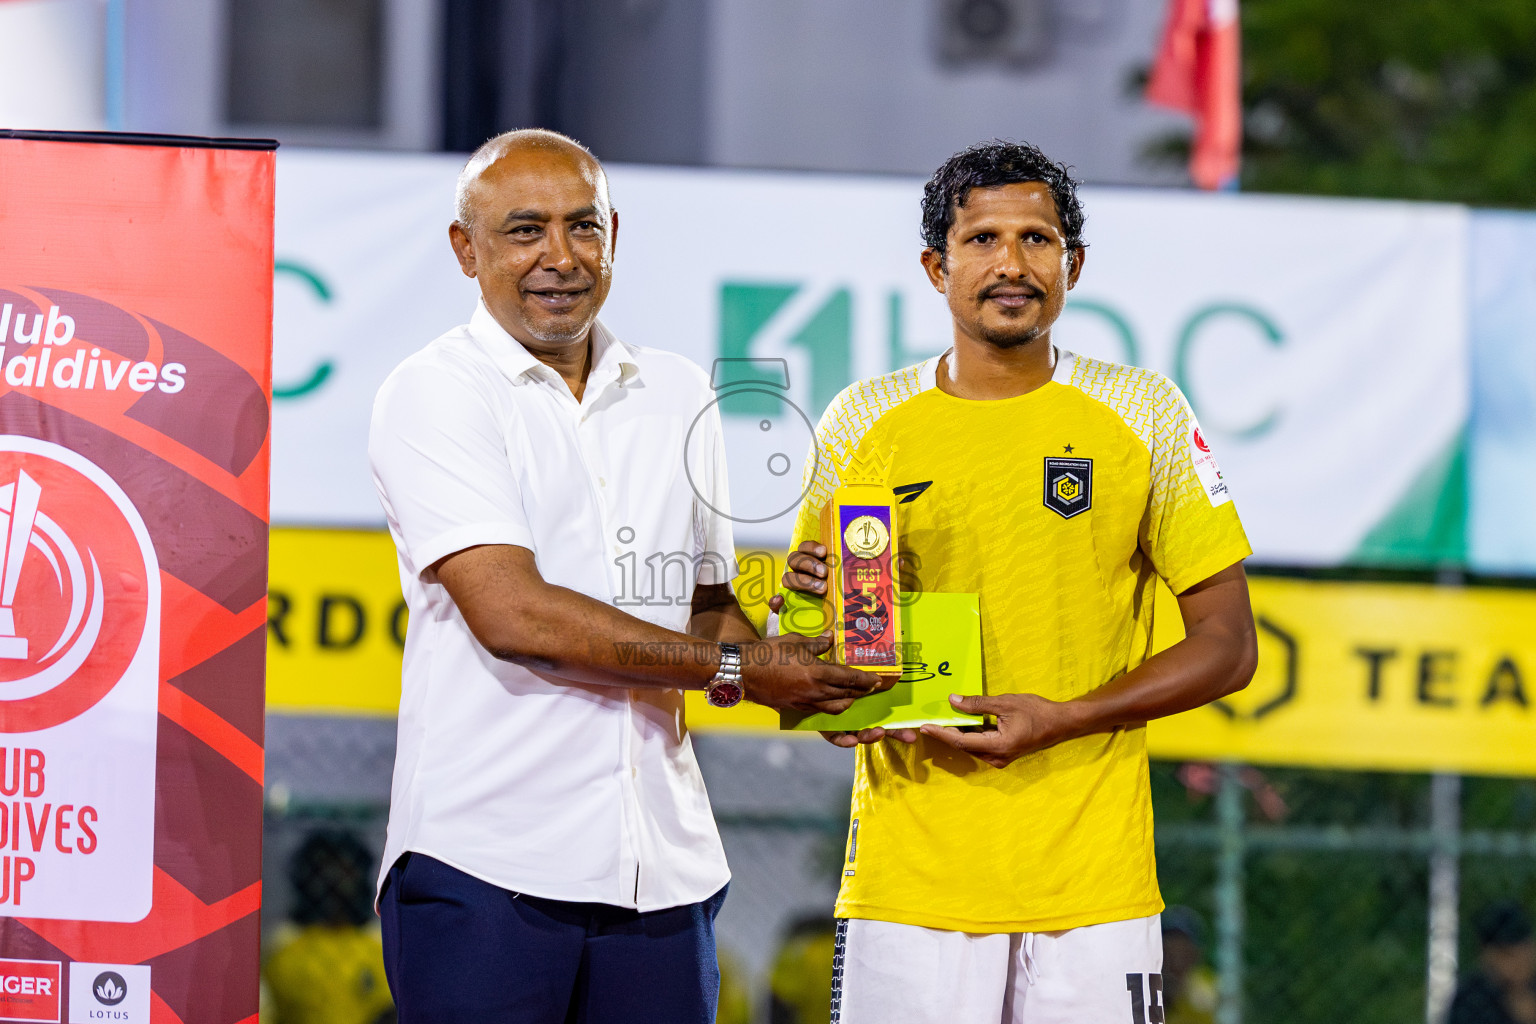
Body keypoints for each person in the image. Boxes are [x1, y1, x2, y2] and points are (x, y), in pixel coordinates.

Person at [367, 128, 885, 1023]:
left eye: (583, 227)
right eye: (524, 230)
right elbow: (517, 616)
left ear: (615, 233)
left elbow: (712, 613)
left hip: (664, 874)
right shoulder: (434, 392)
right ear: (467, 249)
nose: (559, 258)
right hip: (486, 869)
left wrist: (827, 676)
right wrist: (746, 671)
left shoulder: (681, 392)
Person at [773, 139, 1258, 1023]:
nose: (1011, 264)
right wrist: (820, 655)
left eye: (1037, 239)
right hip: (909, 884)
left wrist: (1066, 718)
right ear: (936, 265)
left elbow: (1228, 650)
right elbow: (805, 691)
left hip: (1094, 884)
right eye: (984, 239)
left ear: (1073, 264)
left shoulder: (1144, 410)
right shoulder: (864, 420)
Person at [263, 829, 396, 1024]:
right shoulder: (281, 946)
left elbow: (391, 1008)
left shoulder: (379, 945)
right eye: (324, 871)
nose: (335, 881)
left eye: (344, 871)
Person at [1449, 901, 1536, 1024]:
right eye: (1508, 955)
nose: (1520, 962)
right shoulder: (1471, 1000)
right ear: (1488, 956)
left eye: (1526, 951)